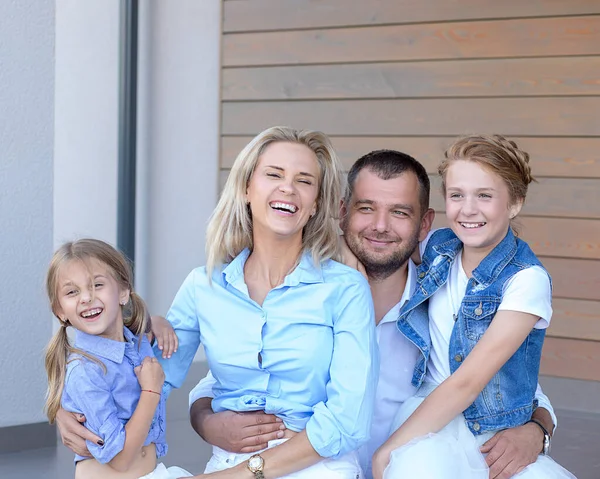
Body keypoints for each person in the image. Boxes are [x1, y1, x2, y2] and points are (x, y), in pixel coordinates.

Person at [188, 148, 558, 479]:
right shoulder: (304, 293)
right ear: (342, 211)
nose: (380, 226)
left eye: (399, 213)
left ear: (425, 225)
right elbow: (230, 374)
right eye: (366, 208)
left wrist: (538, 428)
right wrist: (205, 420)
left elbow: (507, 378)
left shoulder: (440, 295)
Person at [371, 136, 575, 479]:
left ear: (515, 203)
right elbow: (375, 247)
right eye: (457, 195)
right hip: (429, 419)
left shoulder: (526, 280)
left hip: (490, 427)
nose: (468, 209)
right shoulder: (438, 246)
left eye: (484, 195)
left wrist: (386, 453)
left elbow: (468, 382)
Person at [44, 239, 191, 479]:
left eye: (97, 284)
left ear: (123, 291)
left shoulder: (137, 344)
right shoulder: (84, 371)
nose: (86, 298)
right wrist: (151, 391)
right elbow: (120, 460)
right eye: (72, 292)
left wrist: (157, 322)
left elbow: (142, 330)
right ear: (60, 311)